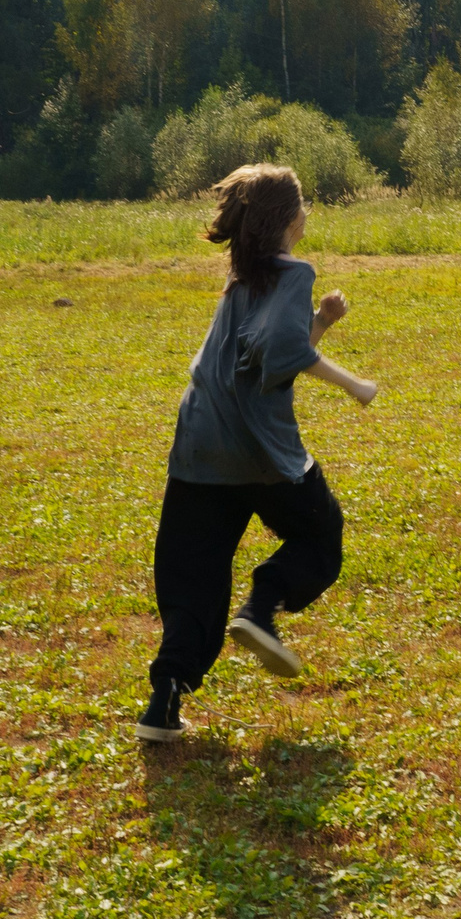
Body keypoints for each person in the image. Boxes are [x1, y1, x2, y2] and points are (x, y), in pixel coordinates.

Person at [136, 163, 379, 743]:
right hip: (258, 448)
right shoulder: (294, 272)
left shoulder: (241, 276)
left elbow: (267, 354)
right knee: (320, 536)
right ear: (290, 217)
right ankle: (260, 608)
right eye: (305, 204)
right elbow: (281, 351)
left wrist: (320, 322)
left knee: (193, 576)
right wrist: (355, 385)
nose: (308, 213)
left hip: (200, 442)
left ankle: (164, 701)